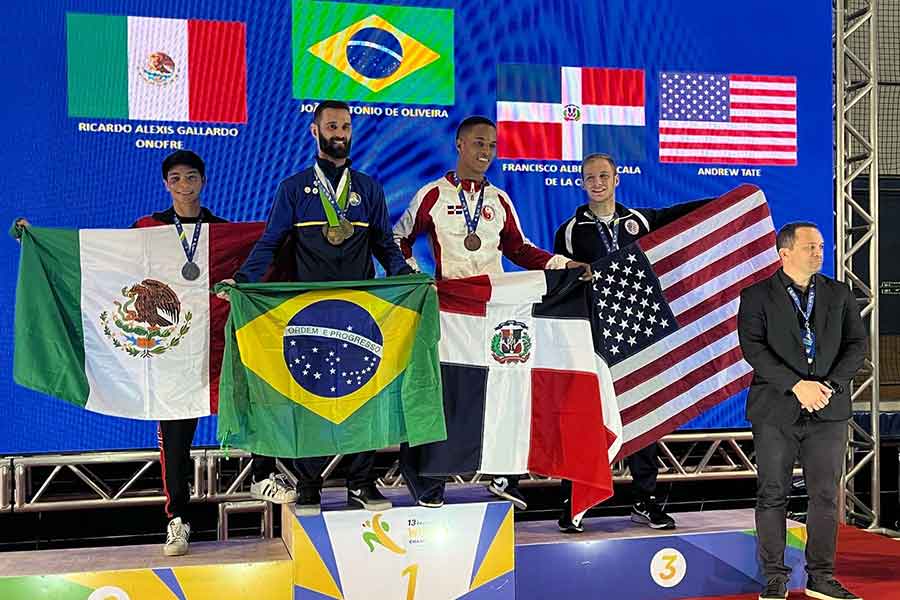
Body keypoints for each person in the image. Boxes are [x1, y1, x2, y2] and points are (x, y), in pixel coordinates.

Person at [219, 100, 414, 516]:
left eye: (345, 125)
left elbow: (383, 243)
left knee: (364, 395)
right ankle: (309, 486)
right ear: (315, 131)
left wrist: (406, 276)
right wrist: (245, 280)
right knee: (310, 396)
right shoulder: (293, 188)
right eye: (331, 125)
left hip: (361, 311)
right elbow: (271, 241)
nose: (339, 132)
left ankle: (362, 483)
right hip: (308, 310)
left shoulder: (369, 188)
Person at [393, 115, 589, 510]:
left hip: (493, 309)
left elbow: (520, 249)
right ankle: (427, 479)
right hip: (449, 311)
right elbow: (398, 238)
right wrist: (417, 279)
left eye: (492, 146)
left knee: (503, 388)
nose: (486, 152)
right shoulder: (431, 195)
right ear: (460, 145)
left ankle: (504, 475)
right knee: (443, 395)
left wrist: (558, 265)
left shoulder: (499, 200)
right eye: (479, 143)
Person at [136, 151, 295, 556]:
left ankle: (261, 473)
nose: (185, 185)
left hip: (220, 341)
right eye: (176, 178)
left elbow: (264, 259)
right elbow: (109, 260)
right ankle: (178, 520)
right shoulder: (147, 229)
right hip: (172, 348)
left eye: (191, 177)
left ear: (203, 181)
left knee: (255, 401)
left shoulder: (224, 233)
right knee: (174, 438)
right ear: (166, 184)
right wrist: (41, 238)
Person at [553, 152, 705, 532]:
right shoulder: (569, 231)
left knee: (644, 414)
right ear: (582, 183)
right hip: (594, 338)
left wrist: (730, 200)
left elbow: (684, 214)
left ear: (617, 178)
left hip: (638, 334)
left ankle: (645, 498)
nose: (598, 183)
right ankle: (575, 499)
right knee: (587, 417)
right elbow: (557, 283)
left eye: (604, 175)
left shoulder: (640, 220)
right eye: (590, 177)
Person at [738, 222, 866, 600]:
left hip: (828, 408)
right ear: (785, 253)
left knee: (825, 495)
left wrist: (827, 387)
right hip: (775, 409)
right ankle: (774, 577)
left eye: (821, 246)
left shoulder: (838, 294)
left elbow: (857, 344)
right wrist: (797, 386)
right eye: (811, 247)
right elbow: (754, 349)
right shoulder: (756, 295)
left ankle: (821, 577)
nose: (819, 252)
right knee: (773, 493)